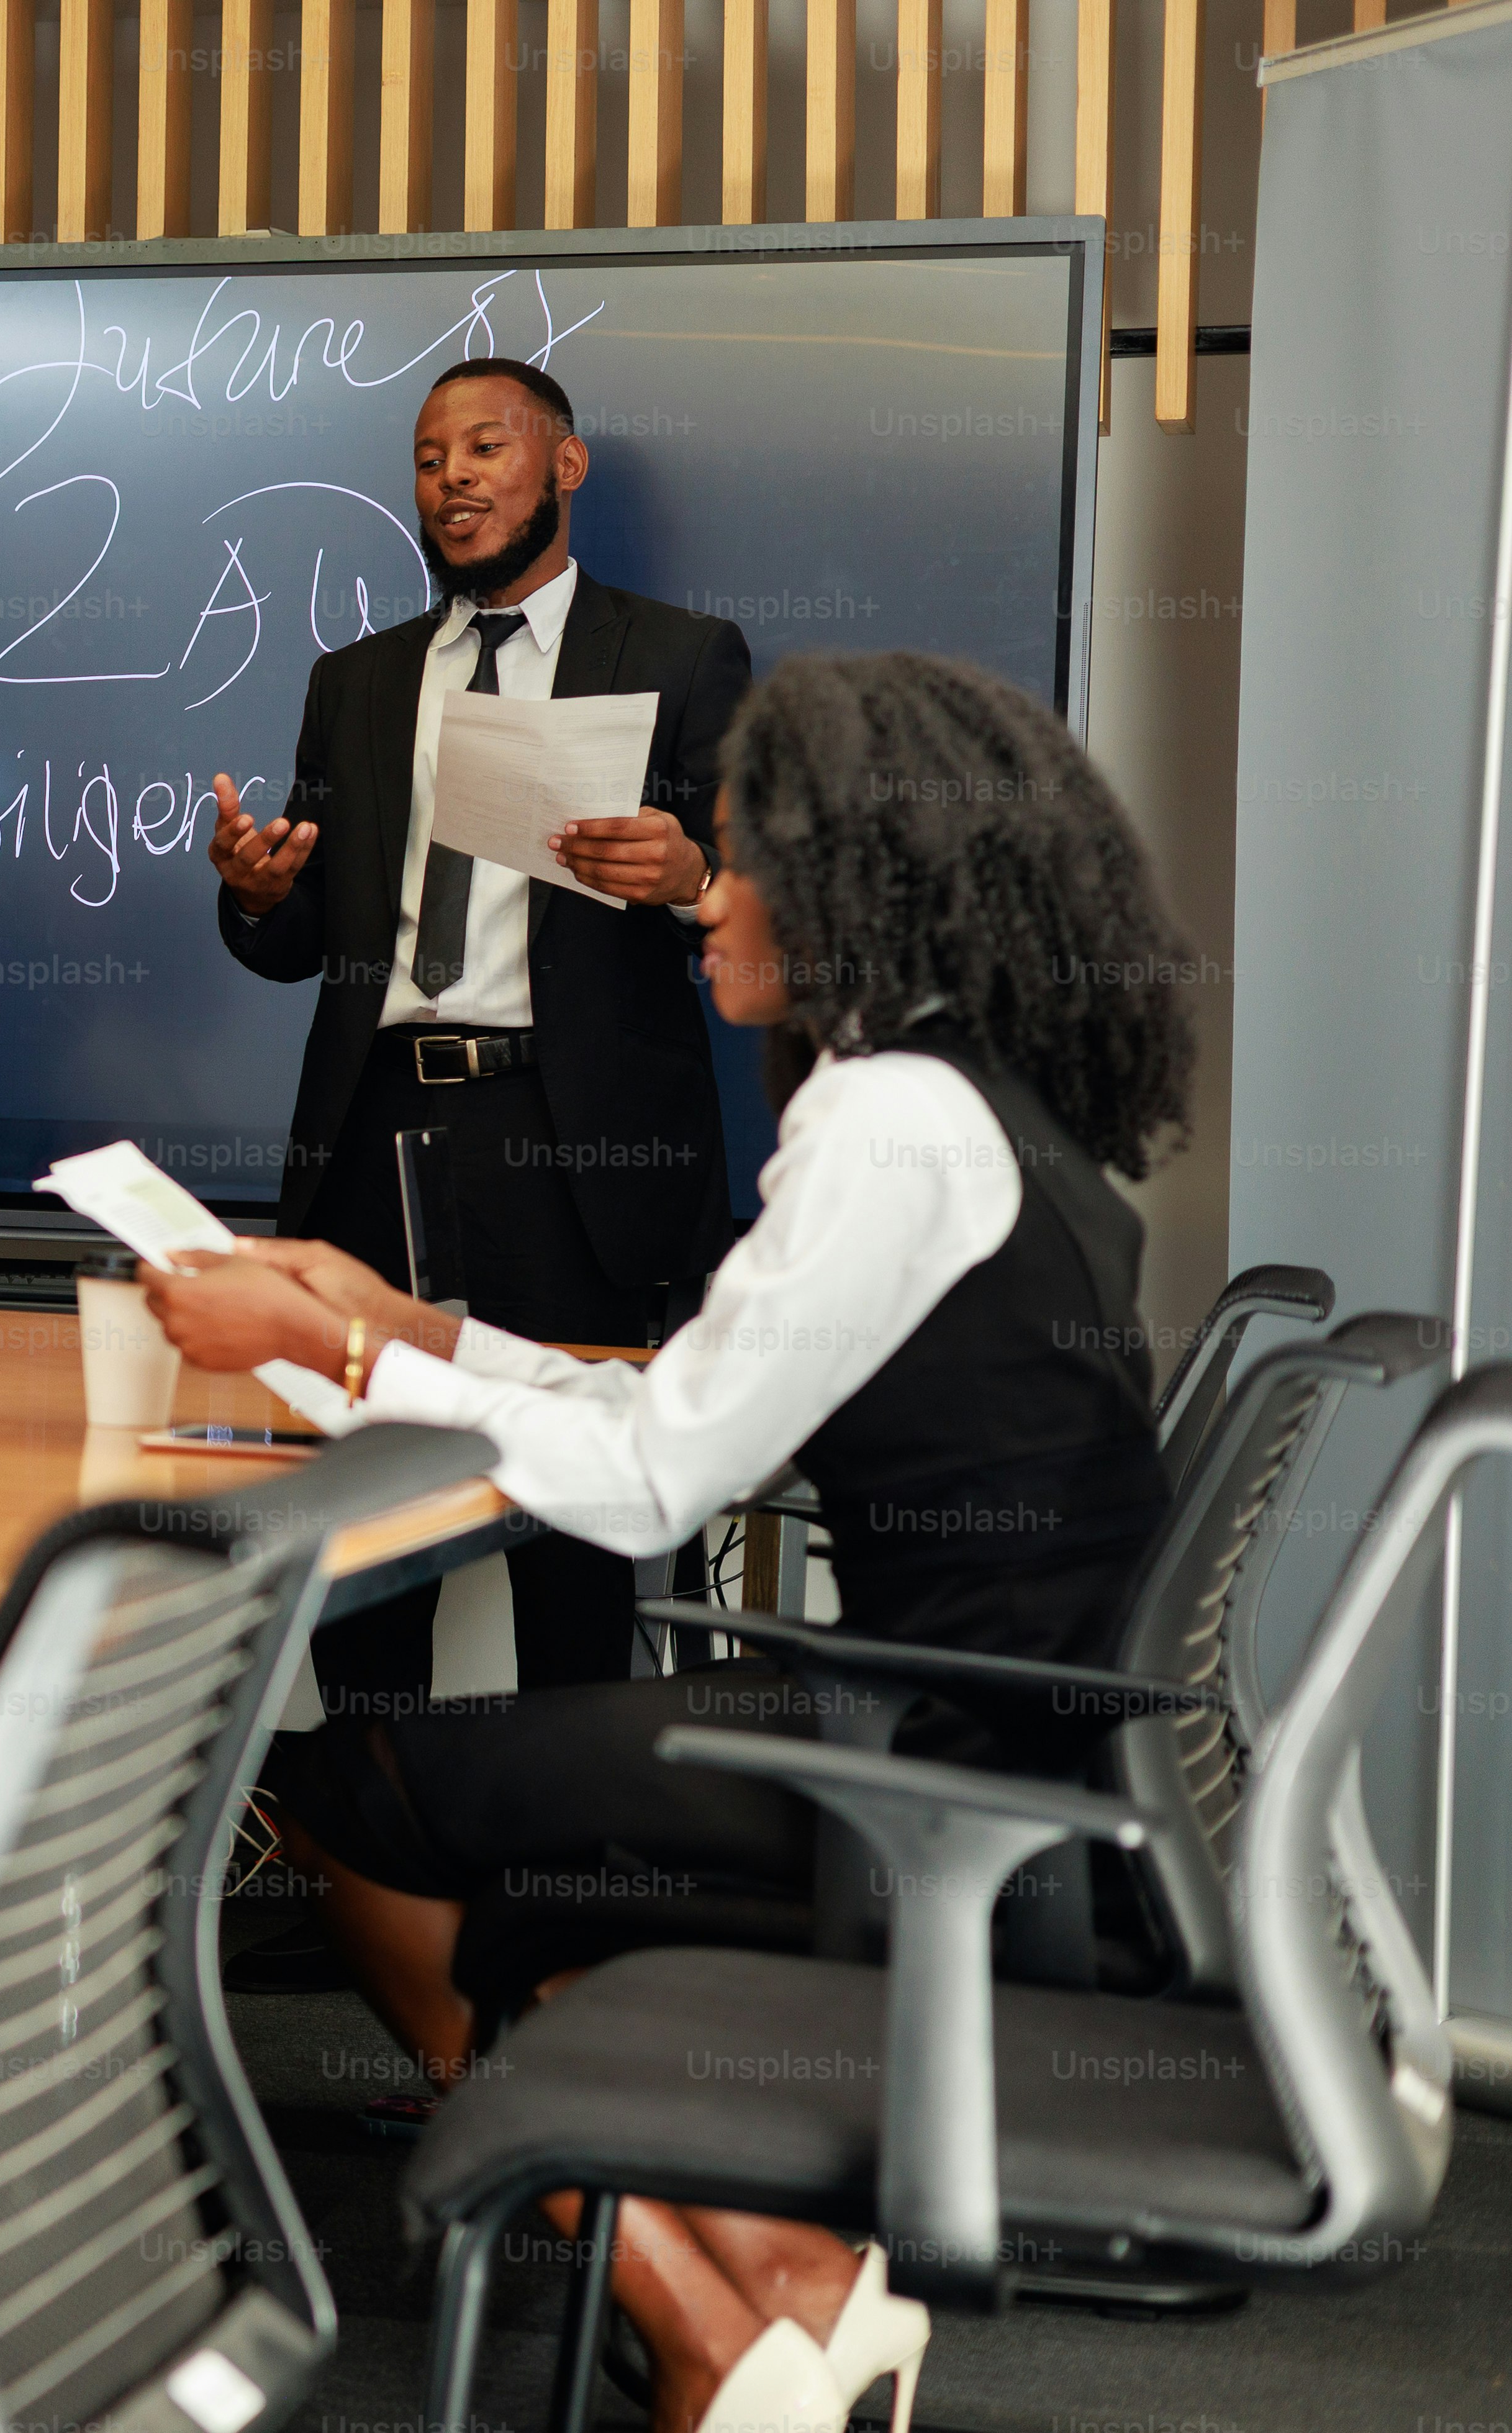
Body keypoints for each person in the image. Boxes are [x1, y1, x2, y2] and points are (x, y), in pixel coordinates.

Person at [150, 650, 1197, 2433]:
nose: (700, 902)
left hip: (920, 1767)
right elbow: (688, 1392)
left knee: (352, 1800)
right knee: (511, 1861)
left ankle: (711, 2315)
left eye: (730, 860)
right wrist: (402, 1323)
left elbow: (653, 1481)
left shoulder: (874, 1122)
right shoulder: (963, 1100)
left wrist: (318, 1352)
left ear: (845, 879)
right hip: (1003, 1743)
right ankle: (780, 2278)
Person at [204, 355, 753, 1708]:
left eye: (484, 449)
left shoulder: (680, 656)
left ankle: (556, 1893)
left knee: (570, 1547)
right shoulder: (358, 681)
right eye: (428, 456)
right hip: (374, 1133)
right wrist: (252, 893)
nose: (450, 480)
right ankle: (378, 1872)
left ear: (562, 467)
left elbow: (760, 909)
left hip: (570, 1149)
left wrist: (688, 878)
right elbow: (297, 947)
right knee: (360, 1537)